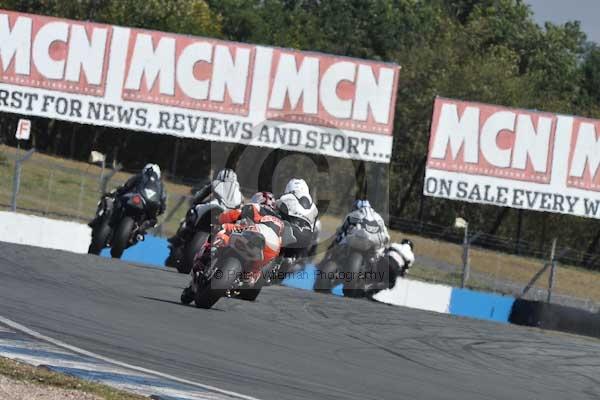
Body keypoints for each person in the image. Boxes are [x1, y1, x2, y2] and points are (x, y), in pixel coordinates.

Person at [168, 168, 242, 246]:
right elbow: (240, 207)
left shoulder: (216, 183)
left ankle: (180, 236)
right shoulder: (238, 192)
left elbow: (201, 195)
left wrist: (195, 202)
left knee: (193, 211)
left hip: (215, 208)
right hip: (230, 215)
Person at [90, 163, 166, 232]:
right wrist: (160, 210)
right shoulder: (161, 185)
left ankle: (111, 219)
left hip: (137, 199)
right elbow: (163, 202)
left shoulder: (140, 176)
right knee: (153, 220)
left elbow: (127, 186)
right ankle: (141, 229)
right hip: (152, 206)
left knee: (117, 201)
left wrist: (116, 193)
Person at [275, 178, 319, 260]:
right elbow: (314, 230)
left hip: (288, 236)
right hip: (306, 240)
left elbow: (274, 212)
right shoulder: (314, 207)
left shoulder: (285, 198)